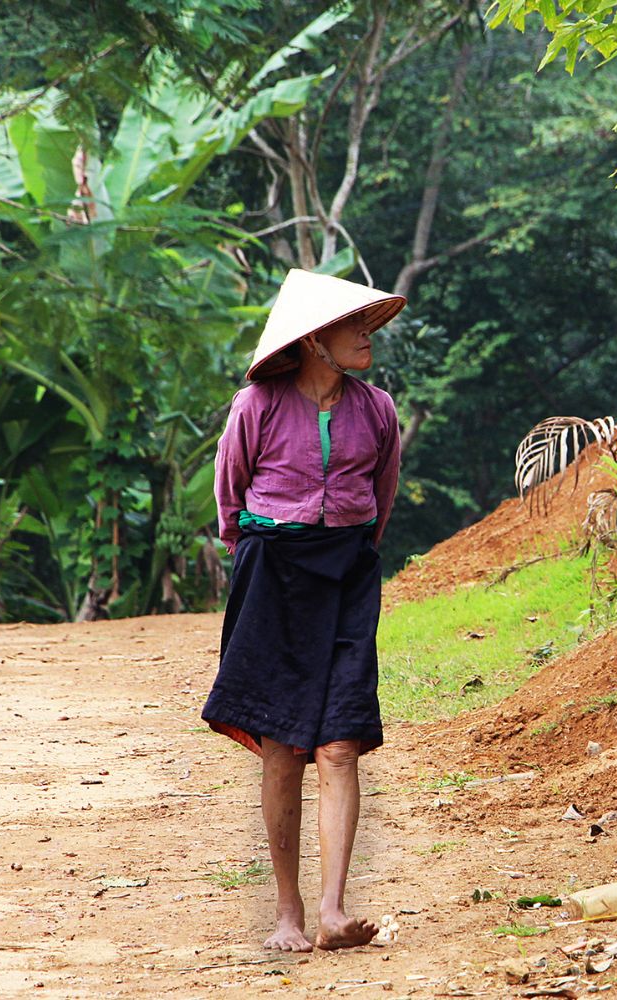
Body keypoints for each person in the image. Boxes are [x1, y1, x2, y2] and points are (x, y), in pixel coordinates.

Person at [202, 269, 405, 952]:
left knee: (341, 742)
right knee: (283, 745)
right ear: (315, 341)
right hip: (272, 574)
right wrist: (270, 555)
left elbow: (381, 495)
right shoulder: (255, 405)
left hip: (347, 574)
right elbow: (231, 501)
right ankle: (287, 910)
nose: (367, 337)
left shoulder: (376, 409)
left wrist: (343, 552)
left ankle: (331, 911)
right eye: (354, 327)